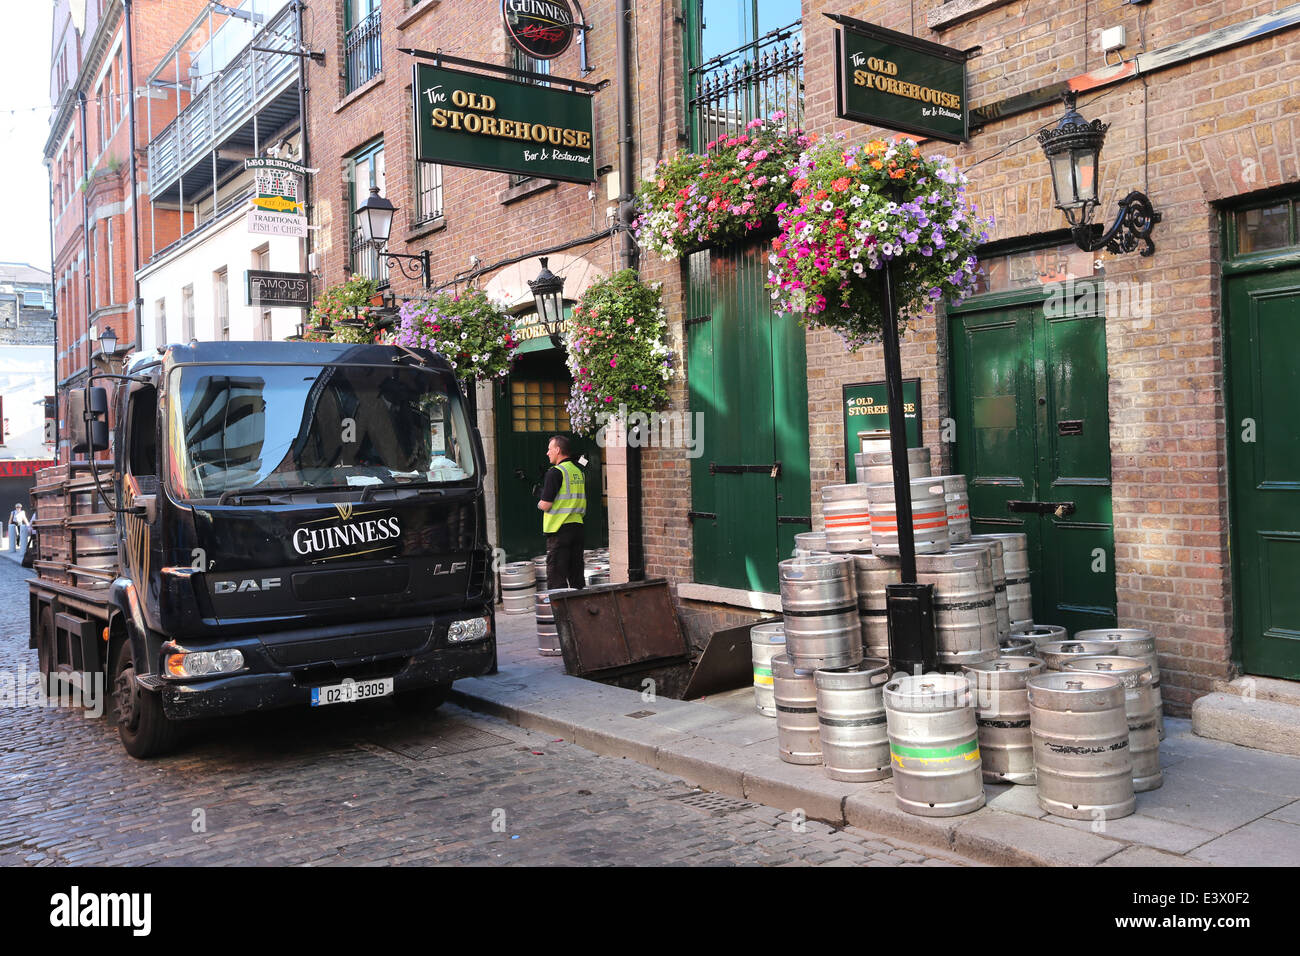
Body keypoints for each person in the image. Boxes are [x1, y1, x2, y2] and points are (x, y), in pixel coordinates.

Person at [537, 435, 586, 590]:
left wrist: (539, 502)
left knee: (557, 576)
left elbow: (546, 505)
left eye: (549, 449)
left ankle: (560, 614)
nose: (547, 453)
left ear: (558, 450)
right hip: (577, 527)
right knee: (576, 575)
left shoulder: (555, 472)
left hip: (559, 530)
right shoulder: (578, 472)